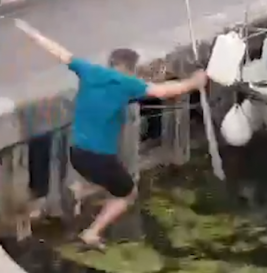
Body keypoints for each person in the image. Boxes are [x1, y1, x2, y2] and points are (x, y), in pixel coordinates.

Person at [14, 19, 208, 250]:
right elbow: (165, 91)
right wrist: (195, 82)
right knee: (128, 194)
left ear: (110, 63)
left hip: (76, 153)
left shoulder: (89, 71)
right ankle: (91, 233)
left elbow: (59, 52)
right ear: (130, 68)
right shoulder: (127, 83)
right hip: (99, 158)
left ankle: (80, 189)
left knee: (108, 180)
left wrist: (31, 32)